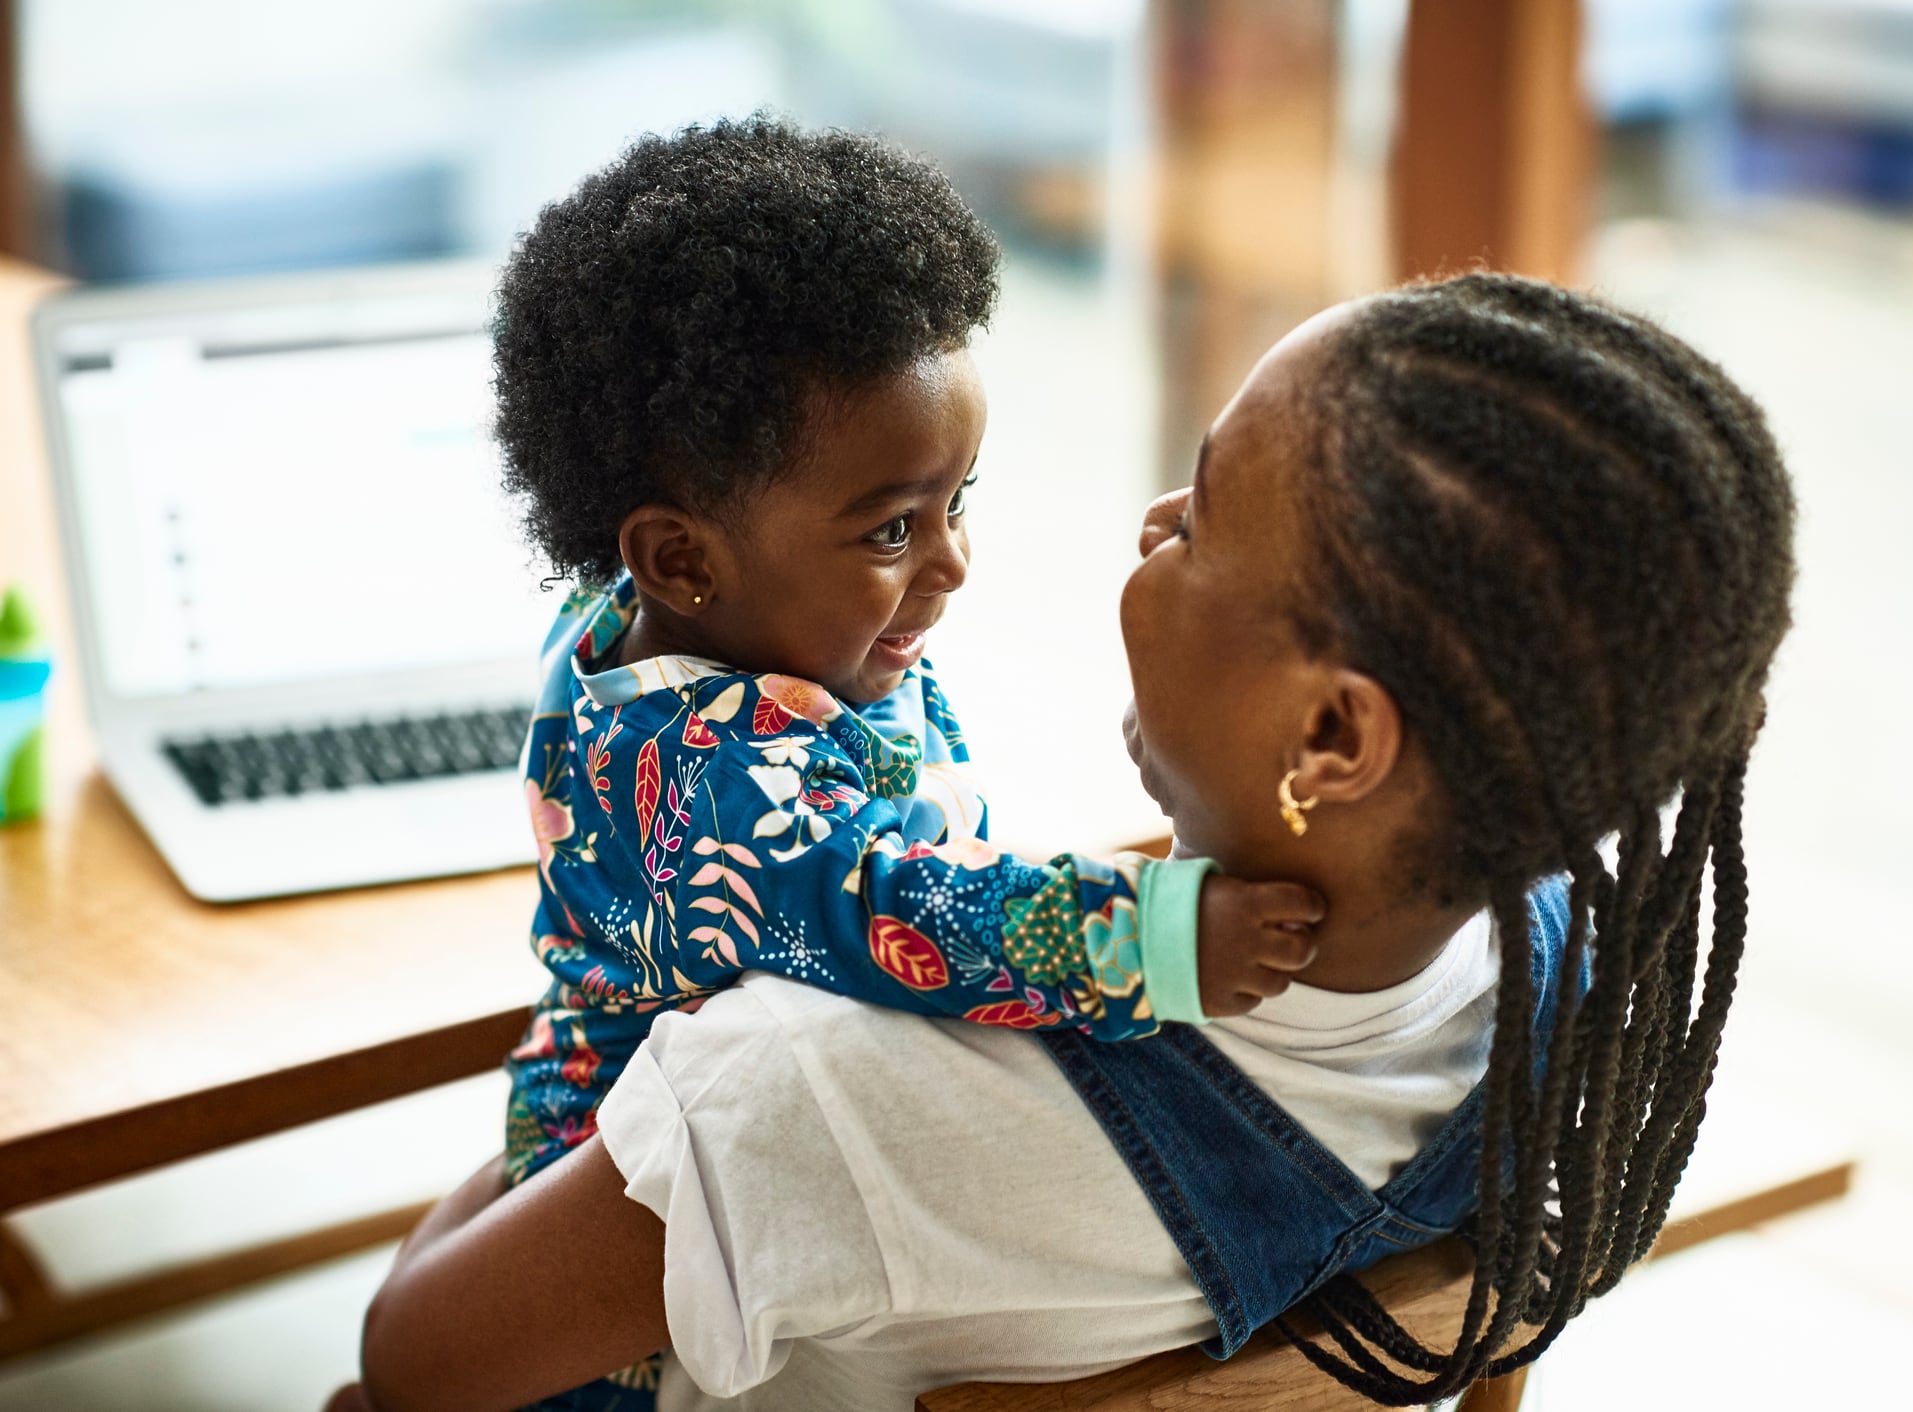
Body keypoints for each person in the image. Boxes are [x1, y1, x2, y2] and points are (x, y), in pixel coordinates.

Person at [344, 273, 1795, 1412]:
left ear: (1333, 743)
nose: (1157, 519)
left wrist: (593, 1058)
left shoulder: (801, 1094)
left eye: (1209, 513)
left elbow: (418, 1364)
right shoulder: (1580, 982)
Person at [491, 117, 1322, 1410]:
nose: (950, 563)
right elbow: (895, 911)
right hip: (625, 1190)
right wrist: (1152, 937)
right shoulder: (713, 781)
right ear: (682, 558)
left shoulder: (704, 620)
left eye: (959, 501)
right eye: (891, 526)